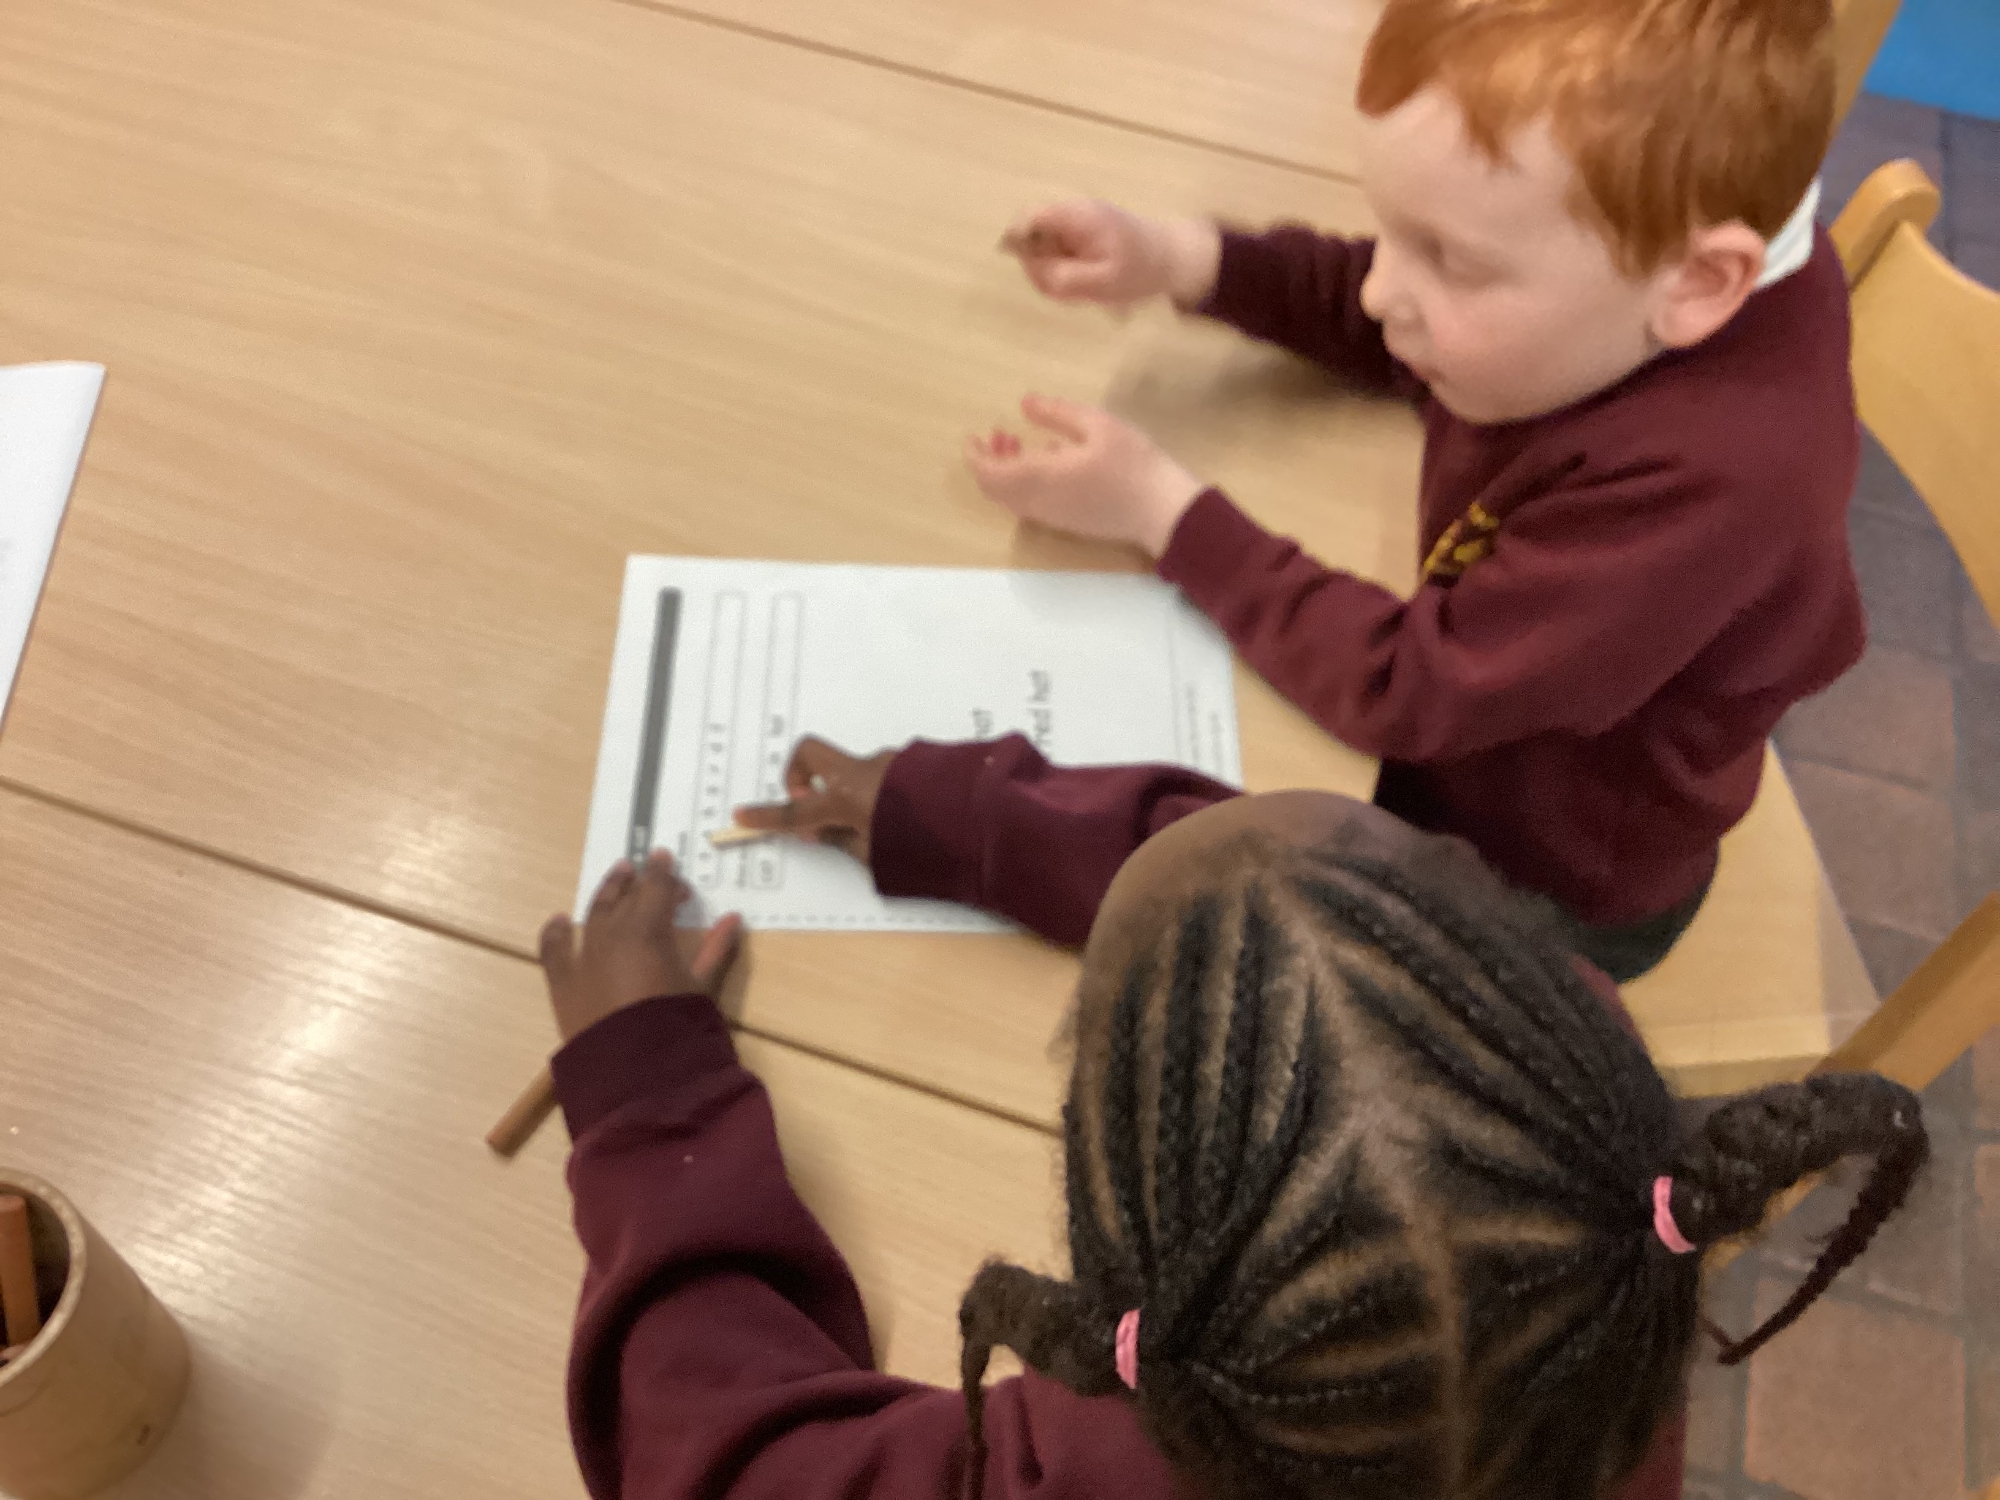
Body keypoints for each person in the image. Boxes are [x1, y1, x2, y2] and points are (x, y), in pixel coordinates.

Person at [541, 731, 1927, 1500]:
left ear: (1121, 1302)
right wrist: (955, 814)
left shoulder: (1084, 1464)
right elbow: (1296, 882)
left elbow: (710, 1450)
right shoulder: (1594, 1237)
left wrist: (649, 1087)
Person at [964, 0, 1865, 981]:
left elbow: (1411, 690)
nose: (1379, 291)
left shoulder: (1712, 481)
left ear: (1698, 283)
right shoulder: (1624, 276)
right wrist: (1183, 261)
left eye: (1449, 260)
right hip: (1475, 726)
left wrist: (1158, 509)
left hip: (1534, 879)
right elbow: (1402, 329)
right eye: (1397, 236)